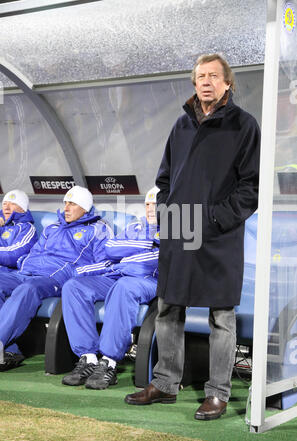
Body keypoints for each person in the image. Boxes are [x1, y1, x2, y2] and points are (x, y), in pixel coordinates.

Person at [124, 53, 261, 420]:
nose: (206, 81)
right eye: (200, 76)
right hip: (178, 230)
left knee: (221, 315)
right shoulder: (180, 126)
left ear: (227, 83)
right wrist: (170, 219)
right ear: (194, 82)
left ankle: (217, 393)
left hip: (218, 235)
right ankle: (165, 384)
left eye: (214, 76)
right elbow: (164, 180)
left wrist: (214, 220)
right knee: (169, 307)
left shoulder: (244, 126)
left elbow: (251, 189)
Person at [0, 185, 111, 371]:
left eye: (72, 204)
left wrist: (74, 272)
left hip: (54, 278)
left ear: (85, 207)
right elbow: (34, 252)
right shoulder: (52, 227)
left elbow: (106, 262)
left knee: (28, 290)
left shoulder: (98, 229)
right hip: (26, 273)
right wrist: (23, 263)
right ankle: (10, 350)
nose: (66, 208)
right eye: (65, 203)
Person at [61, 186, 160, 389]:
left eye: (156, 204)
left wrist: (126, 254)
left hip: (148, 280)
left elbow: (156, 259)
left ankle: (109, 362)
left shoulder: (174, 228)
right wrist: (145, 244)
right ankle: (88, 358)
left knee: (123, 287)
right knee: (73, 287)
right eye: (147, 204)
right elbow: (111, 248)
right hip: (117, 275)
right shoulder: (135, 226)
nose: (150, 208)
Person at [0, 189, 38, 272]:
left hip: (7, 273)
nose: (6, 207)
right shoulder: (1, 224)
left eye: (13, 204)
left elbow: (14, 255)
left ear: (23, 209)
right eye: (4, 204)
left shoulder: (27, 228)